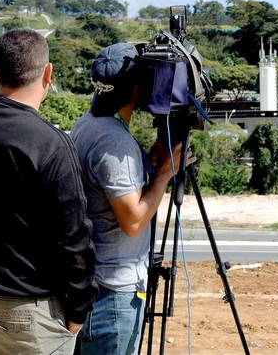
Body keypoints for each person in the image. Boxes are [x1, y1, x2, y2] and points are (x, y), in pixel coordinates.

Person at [0, 28, 98, 354]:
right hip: (24, 313)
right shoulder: (51, 142)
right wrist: (79, 309)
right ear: (47, 73)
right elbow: (73, 236)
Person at [70, 43, 190, 354]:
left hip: (93, 286)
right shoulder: (114, 142)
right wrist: (165, 173)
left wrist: (145, 168)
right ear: (137, 88)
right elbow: (134, 221)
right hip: (112, 295)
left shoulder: (88, 125)